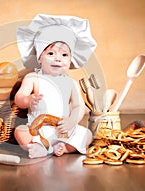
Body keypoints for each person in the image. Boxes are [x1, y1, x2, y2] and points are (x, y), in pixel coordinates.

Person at [14, 14, 97, 158]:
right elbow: (19, 98)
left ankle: (63, 148)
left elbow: (79, 107)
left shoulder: (71, 83)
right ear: (40, 58)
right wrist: (28, 100)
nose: (58, 58)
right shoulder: (33, 78)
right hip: (38, 130)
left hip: (63, 129)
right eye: (51, 53)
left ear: (71, 59)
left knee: (87, 134)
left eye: (64, 55)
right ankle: (40, 147)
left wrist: (71, 121)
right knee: (20, 131)